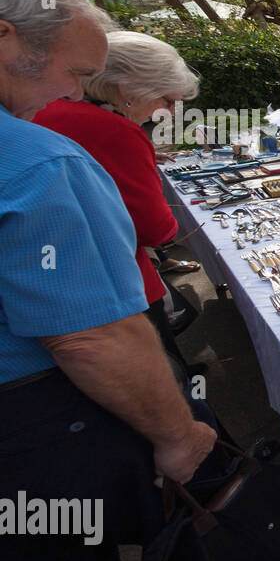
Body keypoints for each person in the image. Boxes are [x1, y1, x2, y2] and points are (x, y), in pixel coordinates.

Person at [0, 0, 217, 561]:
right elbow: (89, 335)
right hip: (28, 439)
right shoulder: (34, 159)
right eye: (73, 71)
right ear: (6, 41)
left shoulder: (37, 138)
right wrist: (179, 437)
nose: (74, 91)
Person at [33, 31, 200, 364]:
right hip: (111, 287)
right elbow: (157, 230)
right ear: (126, 88)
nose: (166, 112)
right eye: (167, 101)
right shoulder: (114, 130)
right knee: (163, 378)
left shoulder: (49, 107)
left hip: (57, 288)